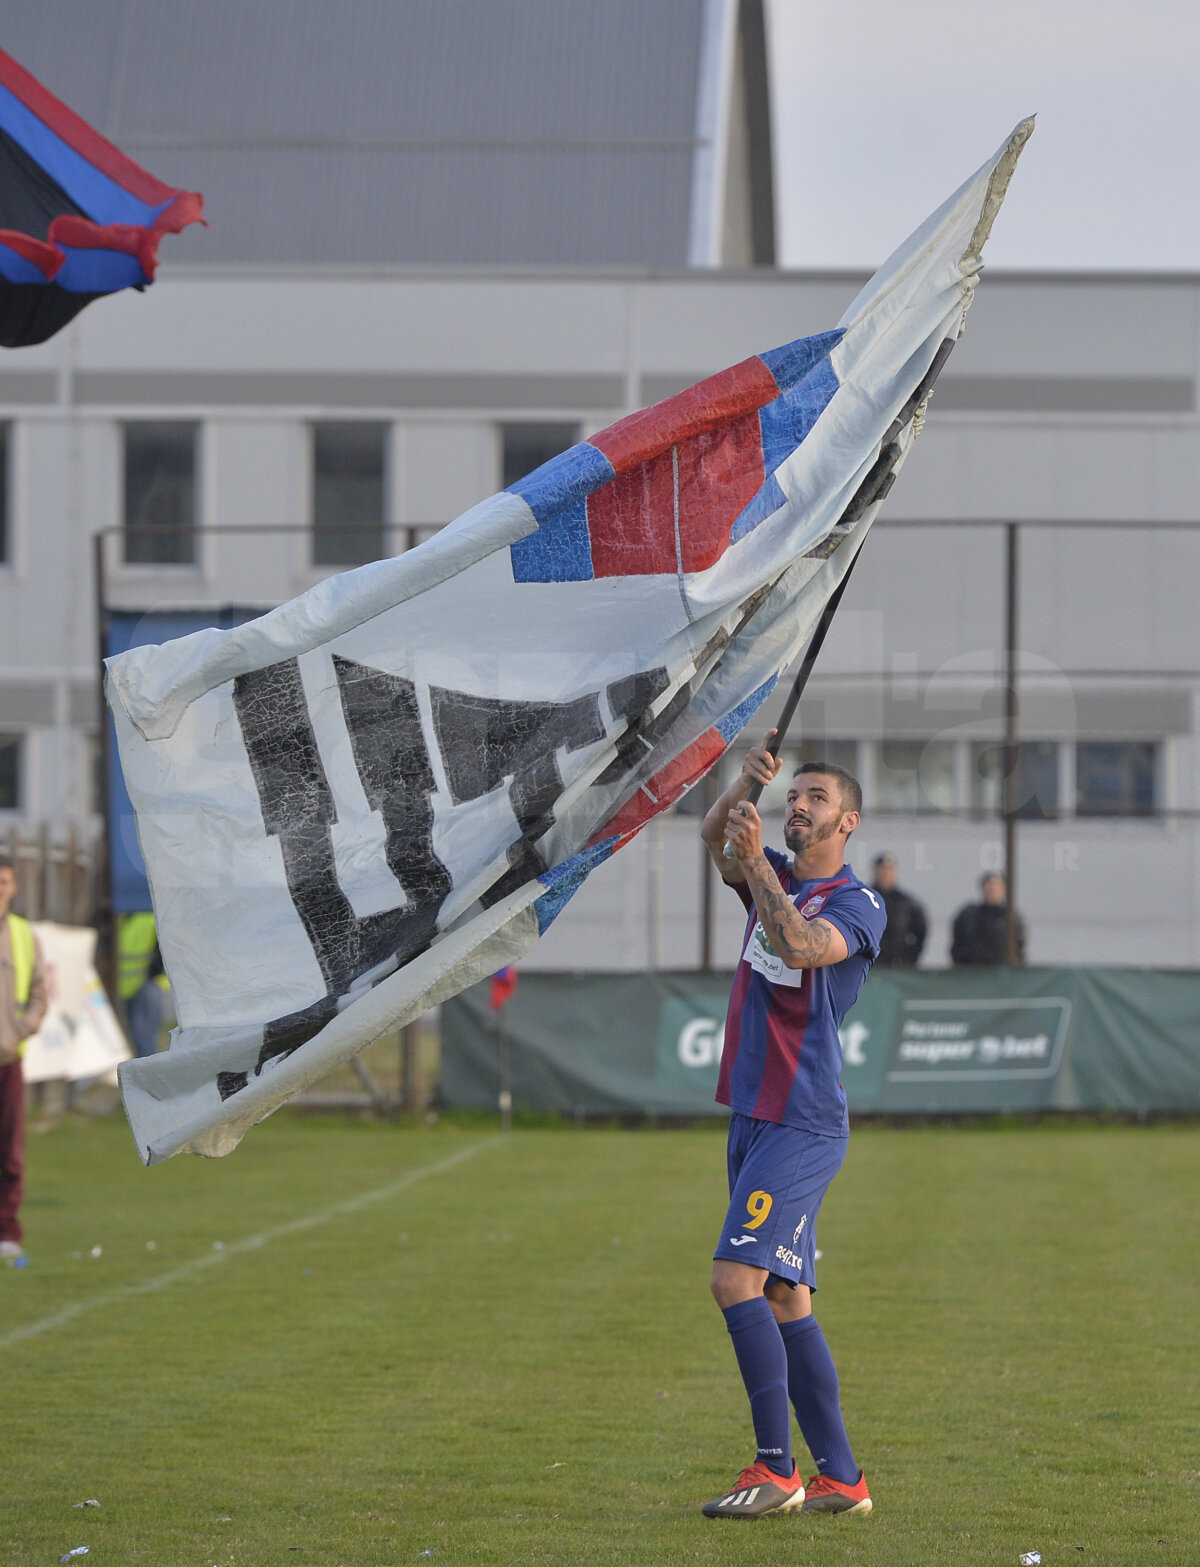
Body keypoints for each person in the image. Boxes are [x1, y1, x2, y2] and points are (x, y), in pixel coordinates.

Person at [697, 733, 886, 1519]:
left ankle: (777, 1470)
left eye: (817, 799)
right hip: (752, 1115)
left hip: (802, 1122)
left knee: (733, 1278)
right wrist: (741, 784)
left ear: (848, 822)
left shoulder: (856, 902)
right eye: (794, 794)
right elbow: (713, 841)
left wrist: (758, 866)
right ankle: (842, 1478)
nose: (798, 806)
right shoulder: (767, 870)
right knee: (784, 1294)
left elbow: (802, 945)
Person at [0, 855, 48, 1264]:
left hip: (8, 1058)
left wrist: (22, 1028)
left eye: (3, 881)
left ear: (13, 887)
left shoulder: (22, 934)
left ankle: (8, 1231)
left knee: (10, 1152)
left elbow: (39, 991)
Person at [950, 873, 1026, 965]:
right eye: (989, 885)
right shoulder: (969, 915)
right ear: (982, 888)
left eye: (996, 885)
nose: (992, 889)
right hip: (972, 969)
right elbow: (958, 942)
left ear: (1004, 889)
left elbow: (1019, 945)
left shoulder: (1010, 916)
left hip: (1002, 969)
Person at [871, 853, 927, 967]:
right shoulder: (865, 899)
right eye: (882, 870)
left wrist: (910, 958)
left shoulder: (907, 904)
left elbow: (921, 932)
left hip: (899, 964)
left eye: (889, 869)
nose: (885, 873)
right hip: (871, 966)